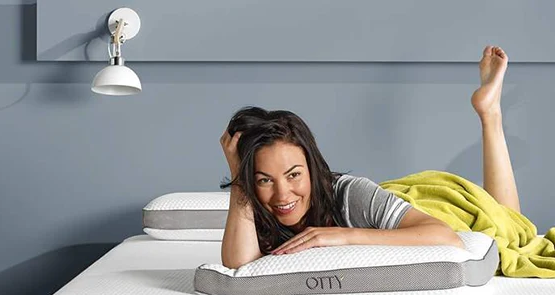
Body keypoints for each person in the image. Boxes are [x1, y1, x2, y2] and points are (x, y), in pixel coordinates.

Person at [219, 46, 519, 269]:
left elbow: (447, 236)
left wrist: (342, 237)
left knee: (510, 221)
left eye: (294, 174)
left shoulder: (351, 195)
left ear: (312, 169)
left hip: (427, 210)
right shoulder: (255, 204)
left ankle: (490, 114)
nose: (283, 193)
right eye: (264, 180)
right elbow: (238, 265)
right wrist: (239, 180)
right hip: (390, 208)